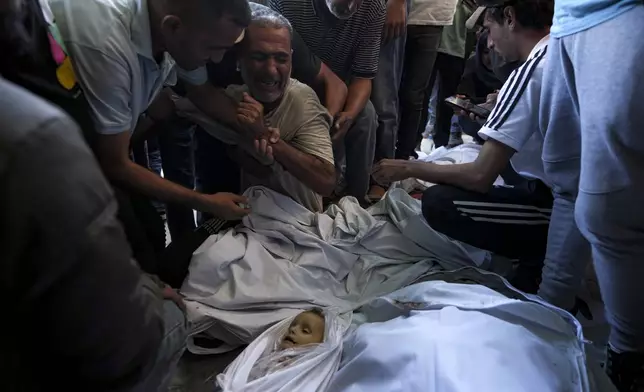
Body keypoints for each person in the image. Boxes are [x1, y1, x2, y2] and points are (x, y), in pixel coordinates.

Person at [0, 2, 186, 390]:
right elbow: (120, 342)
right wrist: (151, 297)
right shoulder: (35, 139)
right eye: (213, 49)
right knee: (169, 318)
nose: (217, 58)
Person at [49, 0, 254, 272]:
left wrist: (257, 131)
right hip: (56, 164)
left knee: (151, 233)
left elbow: (193, 95)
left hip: (95, 149)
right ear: (172, 27)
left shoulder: (176, 33)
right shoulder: (107, 43)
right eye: (212, 49)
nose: (216, 60)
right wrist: (206, 202)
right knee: (138, 247)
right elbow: (114, 163)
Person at [373, 0, 553, 294]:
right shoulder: (558, 51)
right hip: (579, 192)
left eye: (489, 29)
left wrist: (407, 167)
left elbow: (479, 177)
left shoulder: (531, 72)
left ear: (509, 18)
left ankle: (536, 257)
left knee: (439, 203)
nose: (490, 43)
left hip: (561, 207)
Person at [538, 0, 644, 389]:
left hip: (624, 10)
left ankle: (629, 356)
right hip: (569, 17)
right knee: (566, 174)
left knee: (612, 207)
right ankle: (549, 311)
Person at [176, 6, 336, 212]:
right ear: (238, 59)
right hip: (252, 218)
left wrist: (266, 137)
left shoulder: (301, 101)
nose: (270, 70)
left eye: (281, 58)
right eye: (258, 57)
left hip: (301, 221)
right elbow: (177, 103)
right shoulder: (231, 96)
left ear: (291, 58)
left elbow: (326, 182)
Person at [268, 0, 384, 203]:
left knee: (366, 115)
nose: (350, 6)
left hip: (340, 86)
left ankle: (355, 202)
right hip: (292, 82)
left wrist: (346, 115)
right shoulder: (286, 4)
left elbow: (363, 78)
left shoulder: (373, 7)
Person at [395, 0, 458, 159]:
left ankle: (403, 157)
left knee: (414, 95)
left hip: (433, 16)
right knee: (388, 93)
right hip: (398, 12)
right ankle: (383, 156)